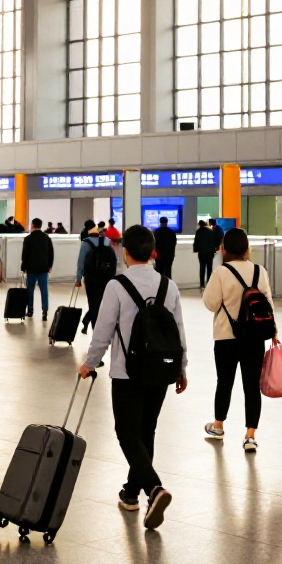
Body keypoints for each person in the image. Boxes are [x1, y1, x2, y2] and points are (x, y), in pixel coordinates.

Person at [80, 225, 188, 529]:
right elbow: (178, 332)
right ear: (152, 251)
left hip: (127, 373)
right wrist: (181, 368)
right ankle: (130, 493)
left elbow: (102, 331)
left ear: (125, 252)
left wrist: (90, 363)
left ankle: (153, 488)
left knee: (127, 432)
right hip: (161, 369)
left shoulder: (117, 286)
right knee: (147, 431)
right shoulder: (169, 286)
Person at [203, 228, 272, 452]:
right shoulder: (259, 271)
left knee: (224, 382)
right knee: (252, 386)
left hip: (226, 337)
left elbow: (211, 303)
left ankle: (218, 426)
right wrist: (274, 331)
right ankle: (250, 435)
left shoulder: (221, 272)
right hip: (254, 337)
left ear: (224, 248)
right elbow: (267, 304)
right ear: (246, 248)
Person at [75, 223, 115, 330]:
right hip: (106, 277)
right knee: (102, 301)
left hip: (91, 278)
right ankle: (99, 324)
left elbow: (81, 262)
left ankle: (94, 326)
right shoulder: (107, 241)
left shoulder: (85, 243)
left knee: (93, 302)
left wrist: (78, 279)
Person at [20, 217, 53, 319]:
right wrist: (50, 266)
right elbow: (51, 253)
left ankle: (30, 311)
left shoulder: (28, 238)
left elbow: (24, 255)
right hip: (43, 268)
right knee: (44, 290)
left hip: (31, 269)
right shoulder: (47, 238)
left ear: (32, 225)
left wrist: (23, 267)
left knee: (30, 290)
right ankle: (45, 312)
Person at [193, 220, 219, 289]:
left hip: (202, 253)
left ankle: (202, 284)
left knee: (202, 268)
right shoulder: (210, 231)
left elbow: (196, 242)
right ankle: (209, 283)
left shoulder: (198, 232)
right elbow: (215, 241)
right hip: (210, 253)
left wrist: (195, 250)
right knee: (209, 268)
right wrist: (214, 250)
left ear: (199, 225)